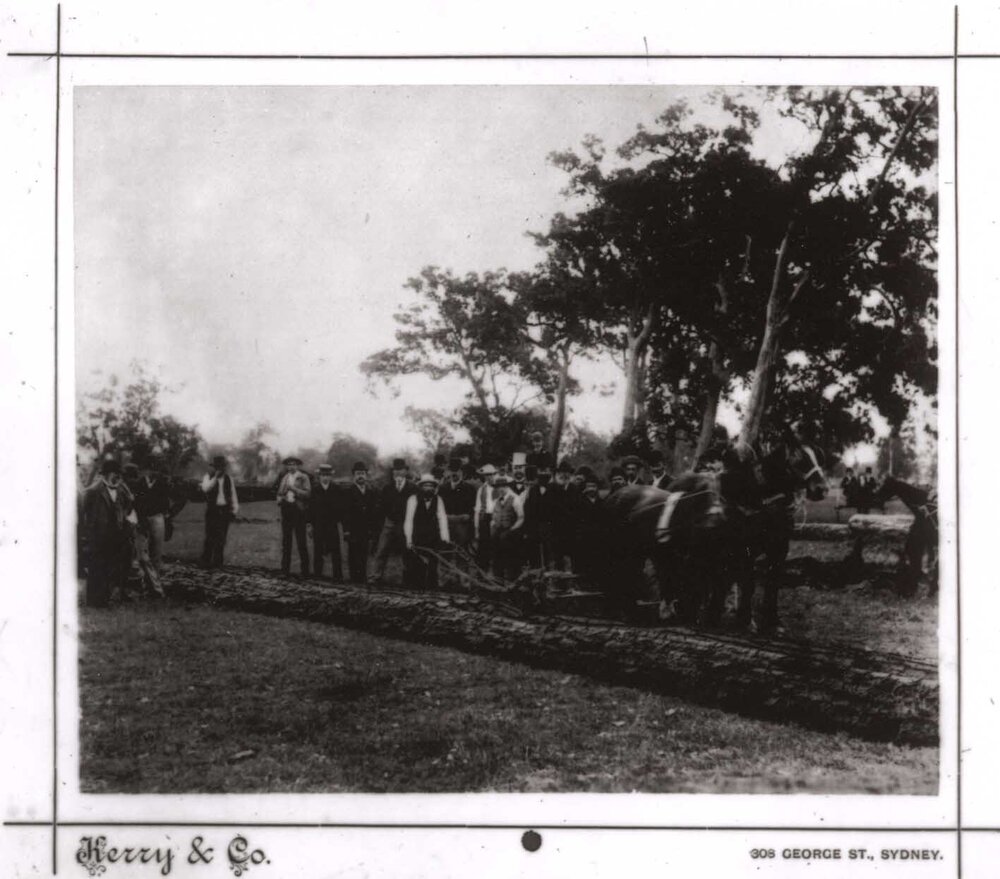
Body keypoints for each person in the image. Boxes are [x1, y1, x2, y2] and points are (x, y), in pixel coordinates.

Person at [82, 460, 136, 607]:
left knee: (110, 567)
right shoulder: (94, 490)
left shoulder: (120, 489)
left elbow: (129, 505)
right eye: (115, 474)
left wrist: (124, 517)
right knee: (96, 567)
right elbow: (84, 512)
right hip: (98, 534)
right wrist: (87, 534)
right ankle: (93, 600)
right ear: (106, 474)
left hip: (115, 534)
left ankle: (105, 598)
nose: (118, 477)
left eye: (119, 475)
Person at [131, 456, 181, 596]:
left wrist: (168, 515)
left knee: (156, 553)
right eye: (150, 469)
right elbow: (136, 503)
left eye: (155, 469)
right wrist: (141, 519)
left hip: (158, 517)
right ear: (145, 470)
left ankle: (154, 586)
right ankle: (151, 586)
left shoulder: (162, 483)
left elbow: (171, 500)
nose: (153, 472)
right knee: (142, 554)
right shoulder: (139, 483)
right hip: (142, 519)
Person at [372, 458, 417, 583]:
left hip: (405, 524)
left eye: (400, 470)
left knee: (407, 551)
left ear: (405, 472)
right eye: (395, 470)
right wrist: (383, 522)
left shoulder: (412, 488)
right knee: (381, 549)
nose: (397, 473)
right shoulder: (387, 488)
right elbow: (381, 507)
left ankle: (408, 579)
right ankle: (375, 576)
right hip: (390, 522)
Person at [403, 473, 451, 590]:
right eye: (426, 486)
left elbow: (442, 518)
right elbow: (408, 520)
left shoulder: (438, 500)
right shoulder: (413, 499)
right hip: (417, 536)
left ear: (434, 488)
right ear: (421, 487)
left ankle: (431, 591)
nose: (428, 488)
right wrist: (409, 540)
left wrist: (445, 538)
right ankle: (415, 590)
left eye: (431, 486)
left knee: (433, 565)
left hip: (432, 537)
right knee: (417, 565)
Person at [343, 461, 380, 583]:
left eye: (363, 473)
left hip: (365, 529)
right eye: (358, 473)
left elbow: (374, 513)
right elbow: (345, 513)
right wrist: (346, 530)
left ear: (366, 475)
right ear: (354, 475)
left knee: (364, 553)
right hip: (353, 529)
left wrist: (372, 529)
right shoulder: (348, 491)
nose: (360, 476)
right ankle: (354, 579)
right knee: (353, 554)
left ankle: (362, 578)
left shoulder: (371, 492)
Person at [200, 455, 239, 569]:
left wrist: (234, 510)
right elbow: (205, 489)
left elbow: (233, 495)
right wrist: (215, 478)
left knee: (221, 537)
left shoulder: (228, 479)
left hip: (224, 510)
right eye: (218, 467)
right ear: (214, 467)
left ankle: (218, 562)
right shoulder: (208, 477)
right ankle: (206, 561)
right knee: (210, 536)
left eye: (222, 467)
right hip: (213, 510)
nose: (220, 470)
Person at [277, 456, 312, 576]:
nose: (291, 466)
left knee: (301, 541)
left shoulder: (303, 477)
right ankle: (285, 570)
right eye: (289, 464)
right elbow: (279, 493)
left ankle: (305, 572)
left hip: (298, 511)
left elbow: (308, 494)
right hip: (287, 510)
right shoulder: (285, 477)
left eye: (293, 464)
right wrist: (280, 499)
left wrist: (294, 489)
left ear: (297, 465)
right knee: (286, 541)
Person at [310, 463, 344, 581]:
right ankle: (318, 576)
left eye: (327, 475)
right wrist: (310, 525)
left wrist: (336, 518)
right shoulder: (315, 489)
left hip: (331, 525)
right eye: (323, 475)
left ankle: (338, 576)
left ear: (331, 476)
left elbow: (340, 507)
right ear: (319, 476)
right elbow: (311, 509)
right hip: (318, 525)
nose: (325, 478)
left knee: (335, 551)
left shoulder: (336, 489)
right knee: (318, 550)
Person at [573, 471, 609, 584]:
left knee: (598, 564)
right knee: (584, 565)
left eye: (593, 486)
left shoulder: (603, 503)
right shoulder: (579, 503)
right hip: (584, 540)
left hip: (599, 540)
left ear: (597, 487)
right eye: (589, 486)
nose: (591, 489)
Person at [522, 462, 559, 569]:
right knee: (535, 555)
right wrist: (528, 529)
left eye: (546, 472)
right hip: (535, 528)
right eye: (541, 472)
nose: (543, 475)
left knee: (549, 556)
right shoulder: (533, 490)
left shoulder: (556, 489)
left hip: (550, 528)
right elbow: (527, 510)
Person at [489, 474, 526, 582]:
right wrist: (493, 527)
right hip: (498, 534)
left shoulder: (515, 499)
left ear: (507, 487)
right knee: (496, 558)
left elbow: (521, 518)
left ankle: (513, 582)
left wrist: (512, 530)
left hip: (510, 534)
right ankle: (498, 581)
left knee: (510, 559)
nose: (501, 489)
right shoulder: (495, 501)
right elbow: (493, 518)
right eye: (498, 487)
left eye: (503, 486)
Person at [438, 457, 476, 551]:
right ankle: (446, 564)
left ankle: (462, 563)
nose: (454, 473)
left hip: (463, 523)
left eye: (457, 470)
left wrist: (468, 516)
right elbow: (439, 507)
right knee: (445, 546)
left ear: (462, 472)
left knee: (462, 548)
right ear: (448, 472)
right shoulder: (443, 488)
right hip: (447, 522)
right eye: (452, 470)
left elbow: (473, 508)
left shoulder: (469, 489)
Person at [551, 459, 579, 571]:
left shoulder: (575, 490)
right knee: (557, 561)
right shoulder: (551, 489)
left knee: (572, 561)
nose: (564, 475)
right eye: (561, 472)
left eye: (566, 472)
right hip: (555, 532)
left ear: (570, 475)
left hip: (571, 531)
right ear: (557, 474)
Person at [472, 463, 499, 572]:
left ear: (495, 474)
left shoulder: (500, 487)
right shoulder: (481, 489)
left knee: (497, 548)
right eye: (487, 475)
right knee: (483, 549)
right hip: (485, 520)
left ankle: (497, 577)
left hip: (497, 519)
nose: (489, 477)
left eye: (491, 475)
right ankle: (482, 577)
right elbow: (477, 509)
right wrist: (476, 528)